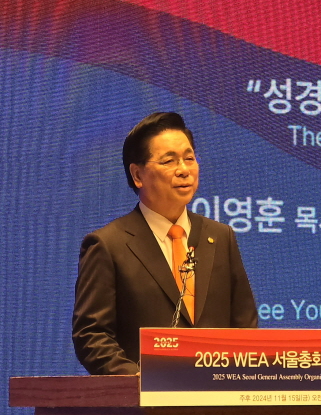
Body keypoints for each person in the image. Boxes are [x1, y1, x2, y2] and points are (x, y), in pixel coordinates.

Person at [73, 112, 258, 375]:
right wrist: (136, 379)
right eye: (169, 161)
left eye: (189, 158)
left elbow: (245, 325)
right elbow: (92, 335)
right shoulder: (108, 244)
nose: (184, 170)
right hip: (145, 396)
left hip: (217, 391)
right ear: (137, 175)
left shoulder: (220, 236)